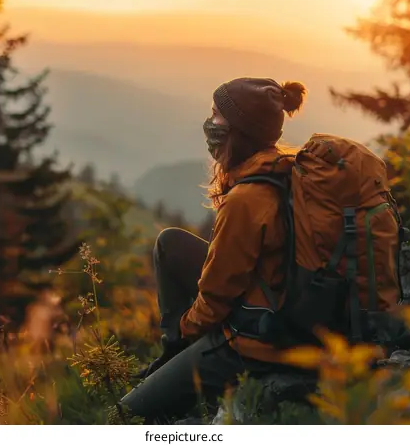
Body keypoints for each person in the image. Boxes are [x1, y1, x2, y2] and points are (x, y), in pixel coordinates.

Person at [119, 77, 313, 423]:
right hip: (284, 303)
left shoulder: (247, 200)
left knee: (127, 417)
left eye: (216, 116)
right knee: (171, 244)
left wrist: (184, 328)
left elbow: (215, 301)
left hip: (255, 341)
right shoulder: (283, 167)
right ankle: (175, 355)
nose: (210, 123)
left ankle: (181, 359)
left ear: (239, 129)